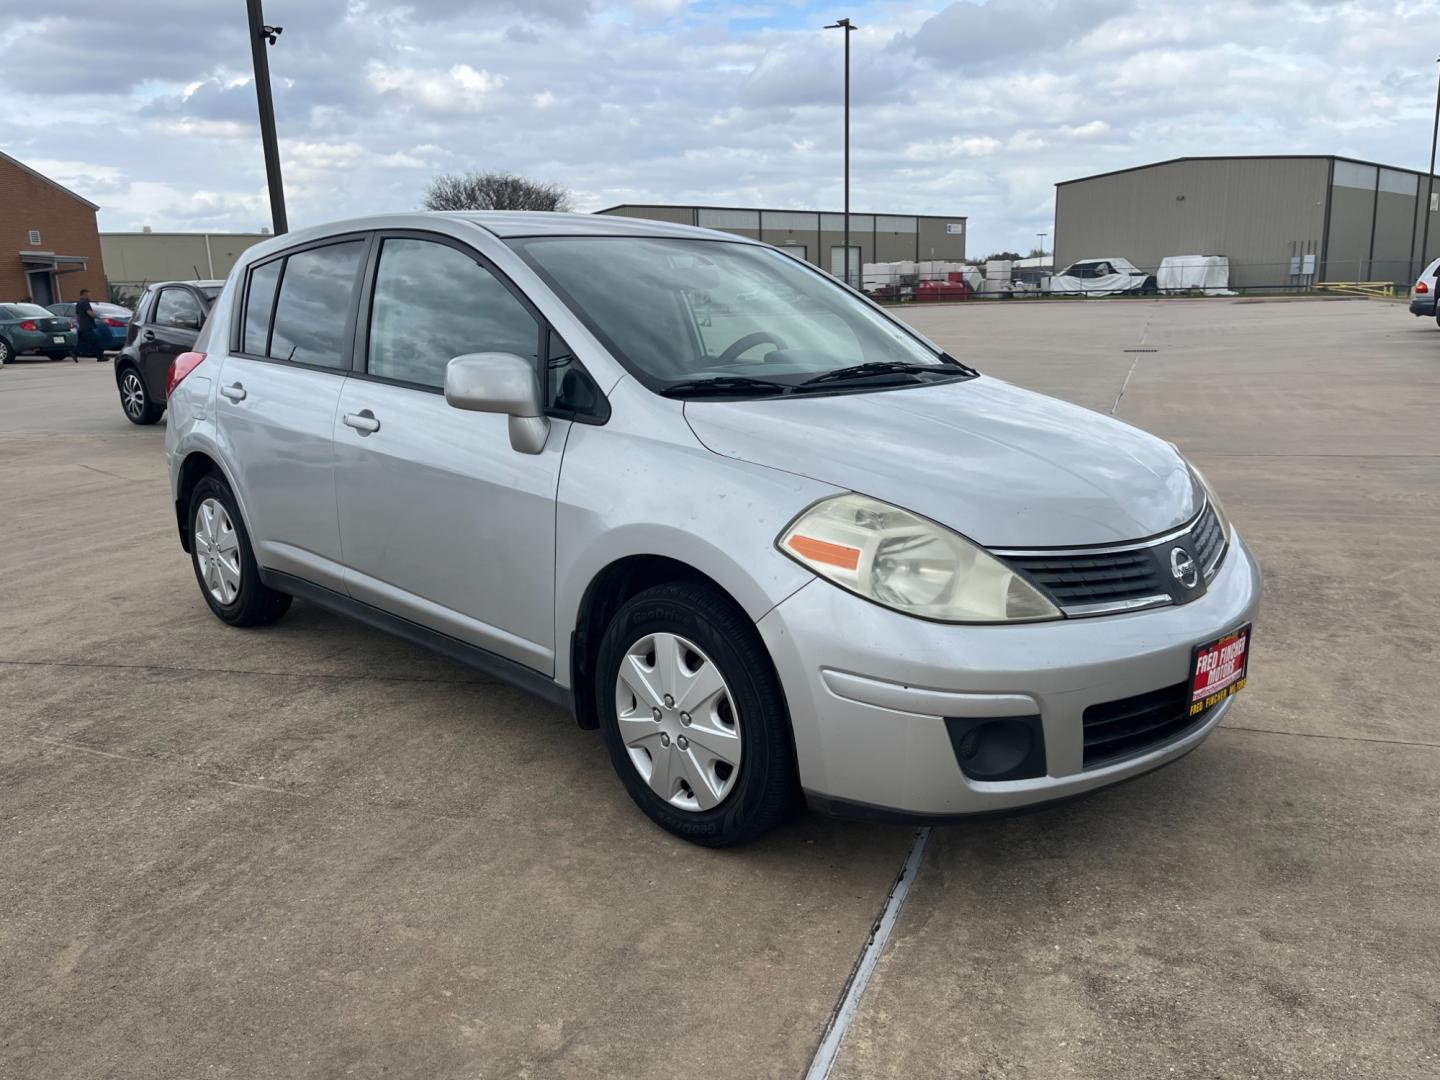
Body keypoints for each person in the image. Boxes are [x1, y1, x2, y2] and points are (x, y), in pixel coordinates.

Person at [75, 289, 107, 363]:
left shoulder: (78, 303)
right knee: (95, 341)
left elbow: (77, 316)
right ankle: (100, 357)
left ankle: (75, 352)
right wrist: (98, 318)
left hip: (83, 326)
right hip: (88, 325)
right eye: (88, 294)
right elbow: (89, 312)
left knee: (84, 342)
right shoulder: (85, 302)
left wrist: (80, 323)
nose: (89, 296)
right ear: (84, 294)